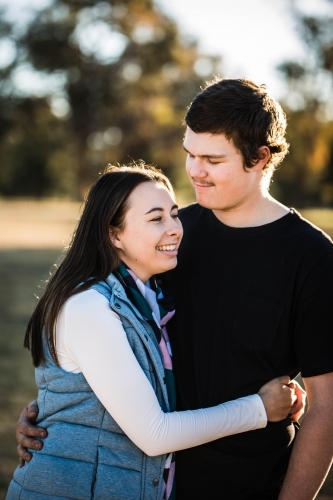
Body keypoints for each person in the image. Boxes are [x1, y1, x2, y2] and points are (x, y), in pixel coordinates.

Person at [7, 163, 297, 500]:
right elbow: (154, 434)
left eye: (175, 214)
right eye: (156, 218)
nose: (175, 228)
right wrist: (260, 408)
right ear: (114, 234)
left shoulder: (151, 302)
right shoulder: (88, 306)